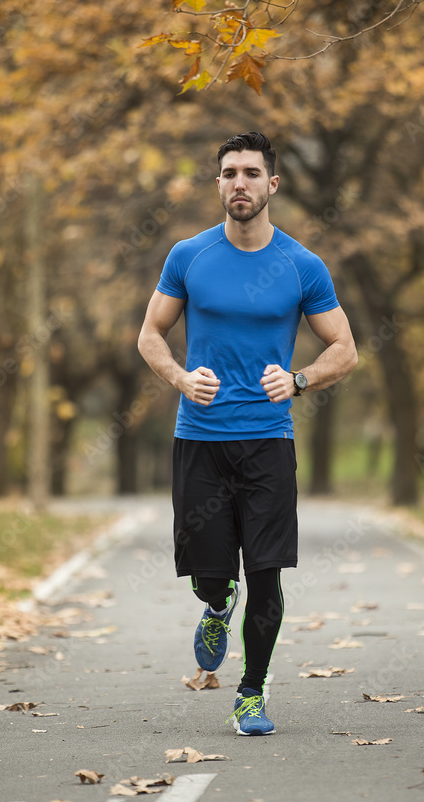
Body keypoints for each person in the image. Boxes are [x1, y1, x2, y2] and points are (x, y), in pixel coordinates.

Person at [137, 131, 357, 736]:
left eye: (252, 173)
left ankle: (251, 692)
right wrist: (181, 378)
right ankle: (214, 605)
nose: (241, 182)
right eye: (230, 172)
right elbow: (149, 335)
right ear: (218, 183)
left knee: (267, 573)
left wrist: (300, 379)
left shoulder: (301, 265)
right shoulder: (189, 256)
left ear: (272, 184)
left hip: (267, 441)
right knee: (213, 573)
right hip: (200, 439)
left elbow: (345, 348)